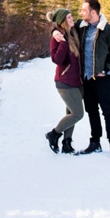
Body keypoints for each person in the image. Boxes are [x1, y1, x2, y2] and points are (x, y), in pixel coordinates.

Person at [54, 0, 110, 158]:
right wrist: (54, 31)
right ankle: (95, 143)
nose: (81, 12)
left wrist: (106, 69)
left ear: (93, 12)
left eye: (84, 10)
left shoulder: (108, 30)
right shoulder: (81, 26)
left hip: (102, 79)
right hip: (86, 78)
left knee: (107, 111)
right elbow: (63, 25)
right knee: (92, 110)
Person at [44, 8, 84, 154]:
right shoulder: (58, 38)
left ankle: (67, 143)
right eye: (68, 17)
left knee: (70, 112)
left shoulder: (73, 32)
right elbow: (57, 59)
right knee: (77, 114)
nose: (72, 18)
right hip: (65, 81)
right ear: (62, 21)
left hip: (77, 80)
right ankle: (54, 134)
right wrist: (62, 42)